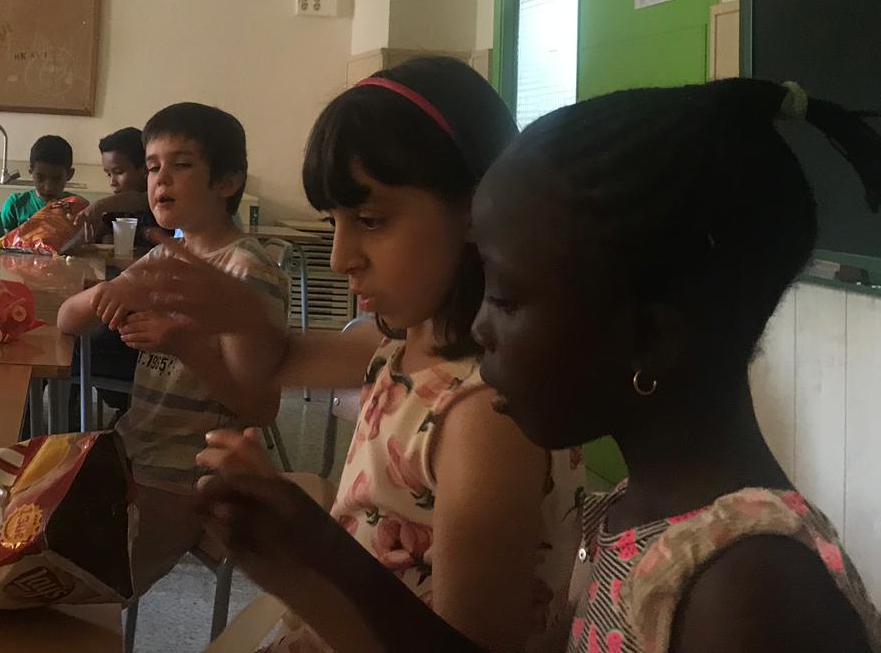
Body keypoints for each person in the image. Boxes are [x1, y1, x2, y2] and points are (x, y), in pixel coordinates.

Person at [198, 79, 881, 653]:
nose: (480, 327)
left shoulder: (752, 594)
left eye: (503, 297)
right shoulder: (635, 509)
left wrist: (320, 561)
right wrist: (310, 555)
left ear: (648, 337)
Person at [136, 58, 581, 652]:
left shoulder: (484, 414)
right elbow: (275, 363)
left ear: (478, 210)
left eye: (370, 220)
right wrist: (240, 314)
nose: (340, 257)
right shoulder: (401, 337)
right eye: (334, 222)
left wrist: (306, 559)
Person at [57, 102, 288, 590]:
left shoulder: (248, 272)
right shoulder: (166, 257)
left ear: (228, 181)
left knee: (77, 587)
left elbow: (260, 406)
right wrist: (109, 292)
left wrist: (184, 343)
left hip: (190, 473)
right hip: (132, 450)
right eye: (153, 166)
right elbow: (67, 320)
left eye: (181, 164)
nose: (161, 179)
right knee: (27, 525)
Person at [79, 127, 156, 246]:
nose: (112, 182)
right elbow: (100, 232)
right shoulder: (118, 209)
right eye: (108, 174)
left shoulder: (158, 200)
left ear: (144, 170)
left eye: (118, 172)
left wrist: (99, 205)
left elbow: (141, 200)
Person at [0, 135, 76, 230]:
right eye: (40, 177)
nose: (48, 187)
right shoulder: (15, 205)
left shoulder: (77, 207)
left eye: (56, 178)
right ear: (31, 171)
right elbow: (4, 238)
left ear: (69, 174)